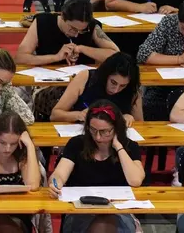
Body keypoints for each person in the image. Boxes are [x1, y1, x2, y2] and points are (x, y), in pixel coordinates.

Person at [48, 100, 145, 233]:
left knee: (105, 224)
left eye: (105, 131)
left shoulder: (129, 147)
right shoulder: (77, 144)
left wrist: (118, 146)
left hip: (118, 210)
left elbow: (136, 180)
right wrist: (55, 183)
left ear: (116, 128)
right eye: (93, 130)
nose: (98, 137)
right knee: (100, 227)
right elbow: (59, 174)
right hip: (80, 209)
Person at [15, 0, 120, 66]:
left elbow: (115, 54)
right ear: (63, 16)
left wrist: (82, 49)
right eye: (73, 28)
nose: (76, 34)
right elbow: (20, 57)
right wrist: (56, 57)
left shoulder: (92, 26)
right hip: (48, 81)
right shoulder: (42, 22)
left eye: (82, 30)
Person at [51, 52, 143, 125]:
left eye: (122, 86)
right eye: (113, 82)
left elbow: (141, 126)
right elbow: (55, 115)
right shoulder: (86, 77)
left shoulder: (132, 90)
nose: (115, 90)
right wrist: (78, 115)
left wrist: (130, 118)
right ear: (106, 75)